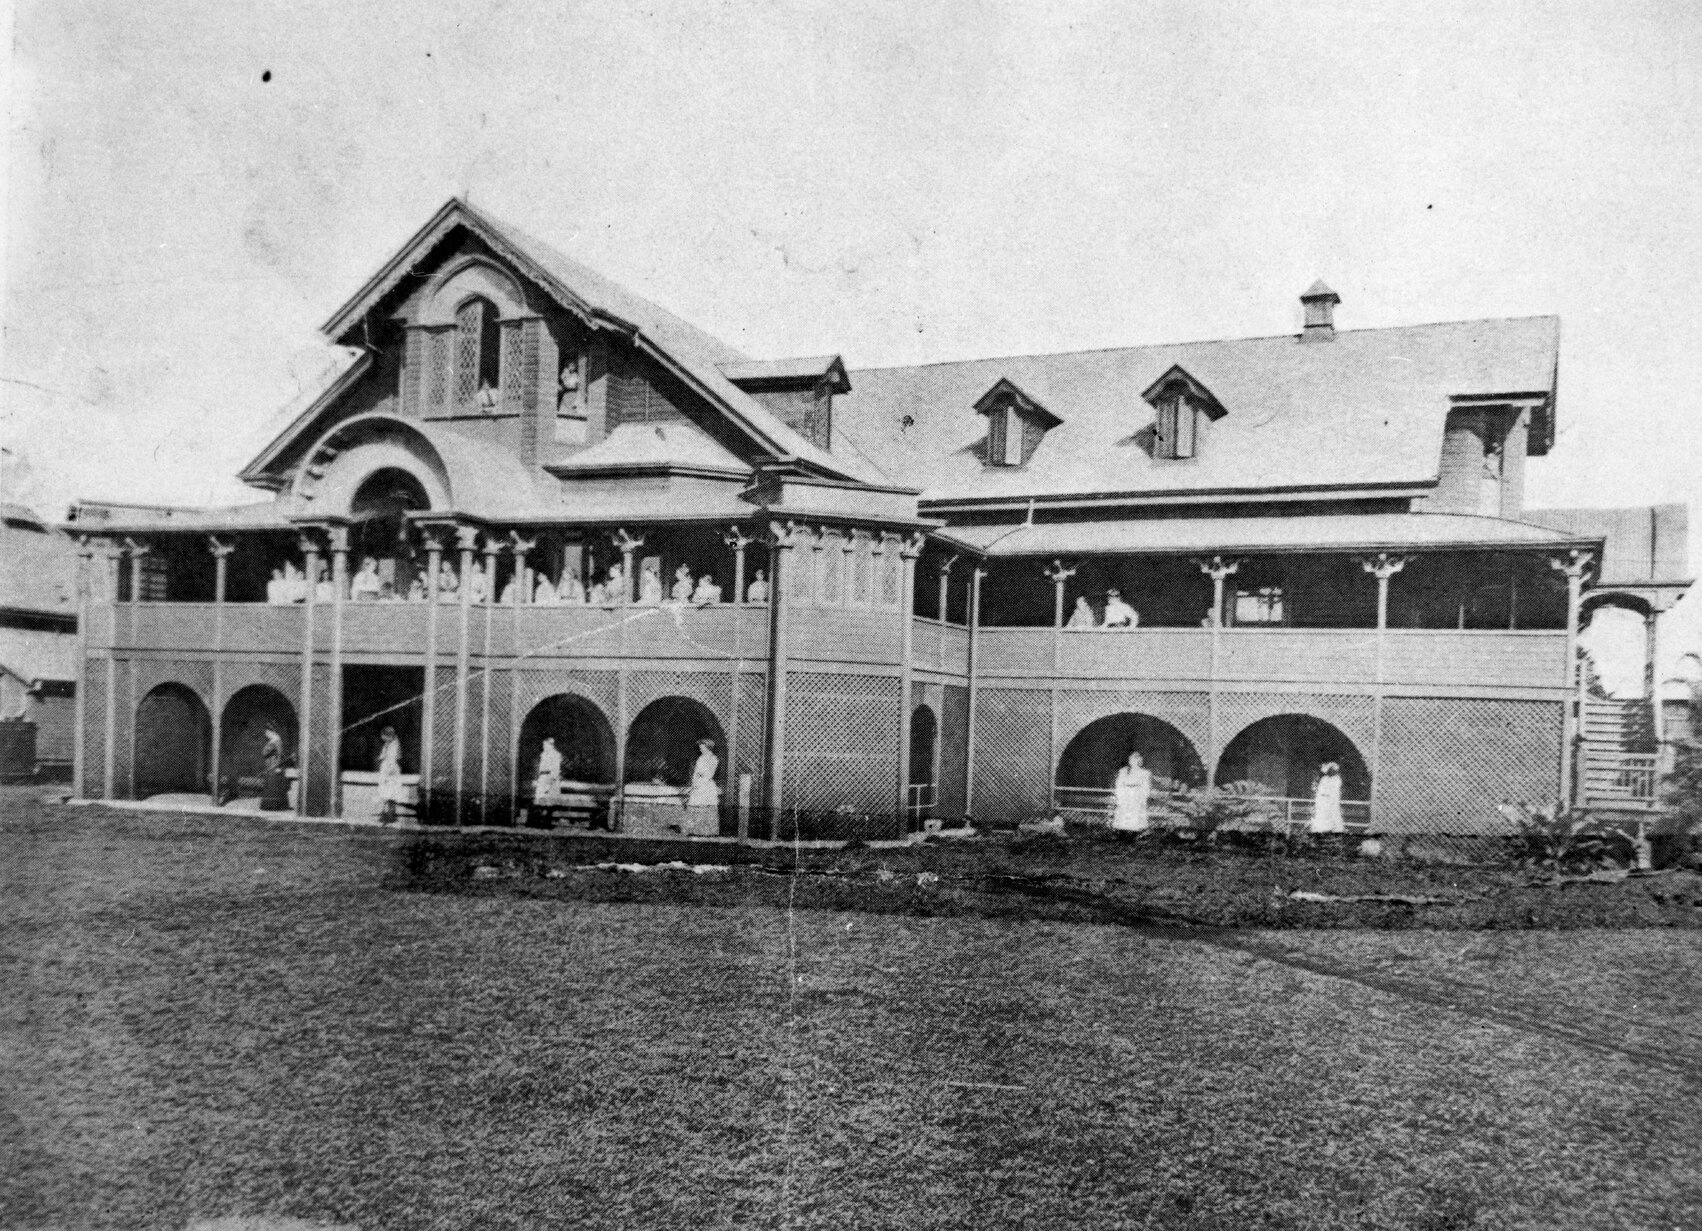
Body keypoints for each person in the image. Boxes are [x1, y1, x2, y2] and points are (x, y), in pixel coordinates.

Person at [1110, 750, 1151, 832]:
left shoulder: (1145, 773)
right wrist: (1120, 796)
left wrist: (1143, 797)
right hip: (1125, 796)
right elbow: (1119, 784)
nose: (1135, 761)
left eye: (1137, 759)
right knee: (1124, 815)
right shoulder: (1124, 771)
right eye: (1132, 759)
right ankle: (1122, 832)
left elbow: (1146, 787)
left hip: (1136, 796)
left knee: (1135, 817)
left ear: (1140, 760)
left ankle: (1134, 833)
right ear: (1129, 760)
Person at [376, 726, 405, 824]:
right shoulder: (388, 744)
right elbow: (383, 755)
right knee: (386, 793)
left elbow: (392, 759)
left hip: (390, 771)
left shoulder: (394, 745)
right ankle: (387, 813)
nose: (382, 738)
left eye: (383, 736)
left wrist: (388, 772)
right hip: (386, 769)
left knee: (390, 792)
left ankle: (390, 814)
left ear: (388, 736)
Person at [259, 724, 290, 811]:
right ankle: (277, 805)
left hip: (273, 766)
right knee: (274, 786)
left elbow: (265, 752)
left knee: (272, 786)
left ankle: (271, 806)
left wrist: (277, 765)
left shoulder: (274, 741)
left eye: (267, 733)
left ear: (271, 732)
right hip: (273, 766)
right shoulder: (277, 741)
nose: (266, 735)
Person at [1310, 762, 1345, 834]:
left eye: (1333, 770)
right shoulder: (1324, 779)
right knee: (1322, 817)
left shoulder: (1337, 779)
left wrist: (1328, 794)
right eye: (1330, 770)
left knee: (1334, 816)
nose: (1331, 771)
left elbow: (1334, 791)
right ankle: (1320, 830)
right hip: (1323, 801)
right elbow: (1320, 790)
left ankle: (1336, 830)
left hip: (1332, 801)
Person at [534, 736, 563, 802]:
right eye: (543, 745)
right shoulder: (543, 754)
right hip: (542, 778)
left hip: (550, 779)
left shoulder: (556, 755)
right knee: (539, 800)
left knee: (549, 801)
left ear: (551, 745)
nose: (544, 747)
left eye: (545, 745)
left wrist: (548, 784)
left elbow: (555, 771)